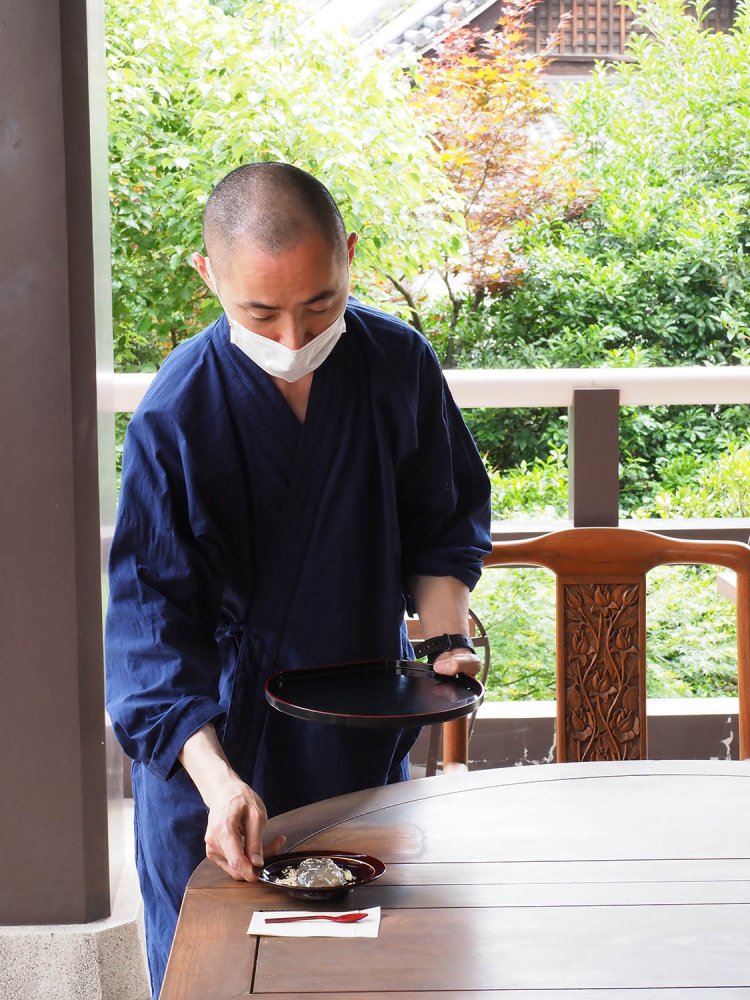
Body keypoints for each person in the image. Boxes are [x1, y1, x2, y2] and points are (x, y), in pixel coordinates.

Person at [105, 162, 492, 997]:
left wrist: (447, 638)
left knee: (367, 971)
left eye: (320, 304)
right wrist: (217, 783)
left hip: (355, 724)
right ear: (209, 277)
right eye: (260, 312)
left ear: (349, 257)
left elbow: (442, 528)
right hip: (211, 757)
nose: (291, 338)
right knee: (221, 976)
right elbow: (151, 630)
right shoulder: (177, 414)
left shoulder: (398, 365)